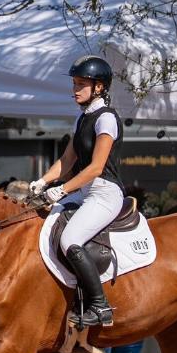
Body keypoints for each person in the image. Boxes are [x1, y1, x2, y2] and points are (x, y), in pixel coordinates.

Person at [29, 55, 124, 327]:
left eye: (81, 84)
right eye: (74, 84)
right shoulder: (82, 118)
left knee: (70, 239)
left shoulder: (106, 119)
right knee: (43, 223)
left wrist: (61, 190)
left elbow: (95, 168)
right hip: (84, 191)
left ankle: (99, 305)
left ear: (99, 87)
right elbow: (67, 161)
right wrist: (43, 181)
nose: (75, 89)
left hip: (105, 193)